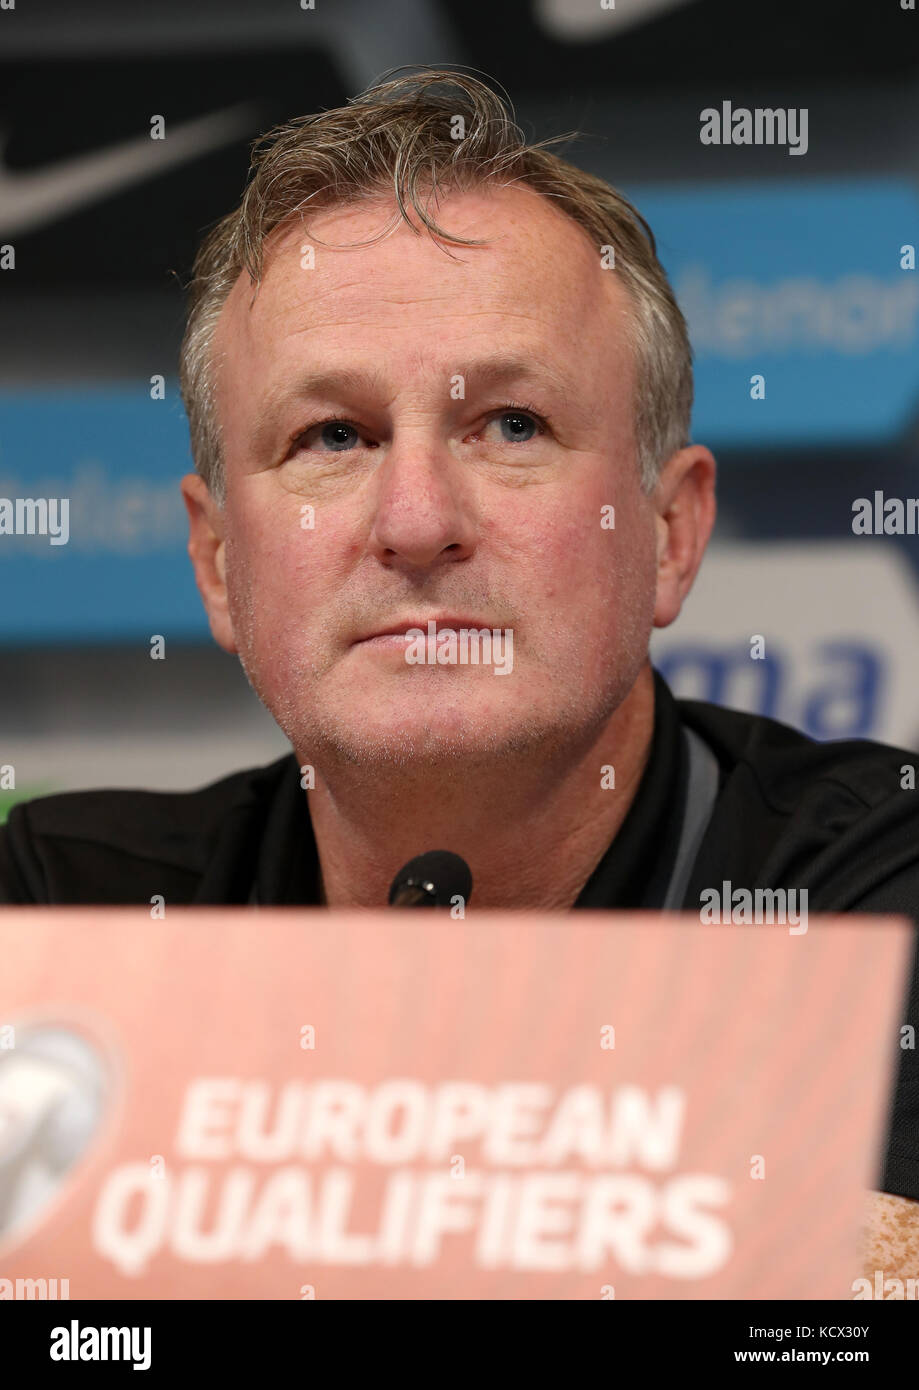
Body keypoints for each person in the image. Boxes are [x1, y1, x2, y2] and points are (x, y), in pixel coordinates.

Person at [2, 69, 918, 1258]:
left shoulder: (869, 906)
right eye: (333, 436)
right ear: (219, 563)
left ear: (668, 534)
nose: (419, 518)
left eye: (511, 426)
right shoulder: (63, 919)